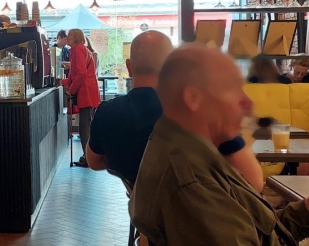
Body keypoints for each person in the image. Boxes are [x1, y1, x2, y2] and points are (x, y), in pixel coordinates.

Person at [130, 44, 309, 246]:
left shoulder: (192, 151)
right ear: (193, 97)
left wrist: (305, 215)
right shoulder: (193, 184)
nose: (248, 103)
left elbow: (252, 230)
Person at [86, 32, 263, 191]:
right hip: (200, 218)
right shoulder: (196, 110)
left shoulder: (106, 113)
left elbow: (94, 162)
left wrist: (129, 157)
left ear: (129, 67)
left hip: (146, 216)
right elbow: (253, 181)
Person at [62, 28, 100, 167]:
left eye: (69, 36)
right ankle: (88, 156)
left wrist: (71, 90)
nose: (67, 38)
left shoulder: (78, 50)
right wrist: (64, 82)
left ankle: (88, 157)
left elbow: (81, 74)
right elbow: (76, 73)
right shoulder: (82, 49)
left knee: (85, 126)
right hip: (89, 90)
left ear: (76, 37)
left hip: (85, 91)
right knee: (87, 124)